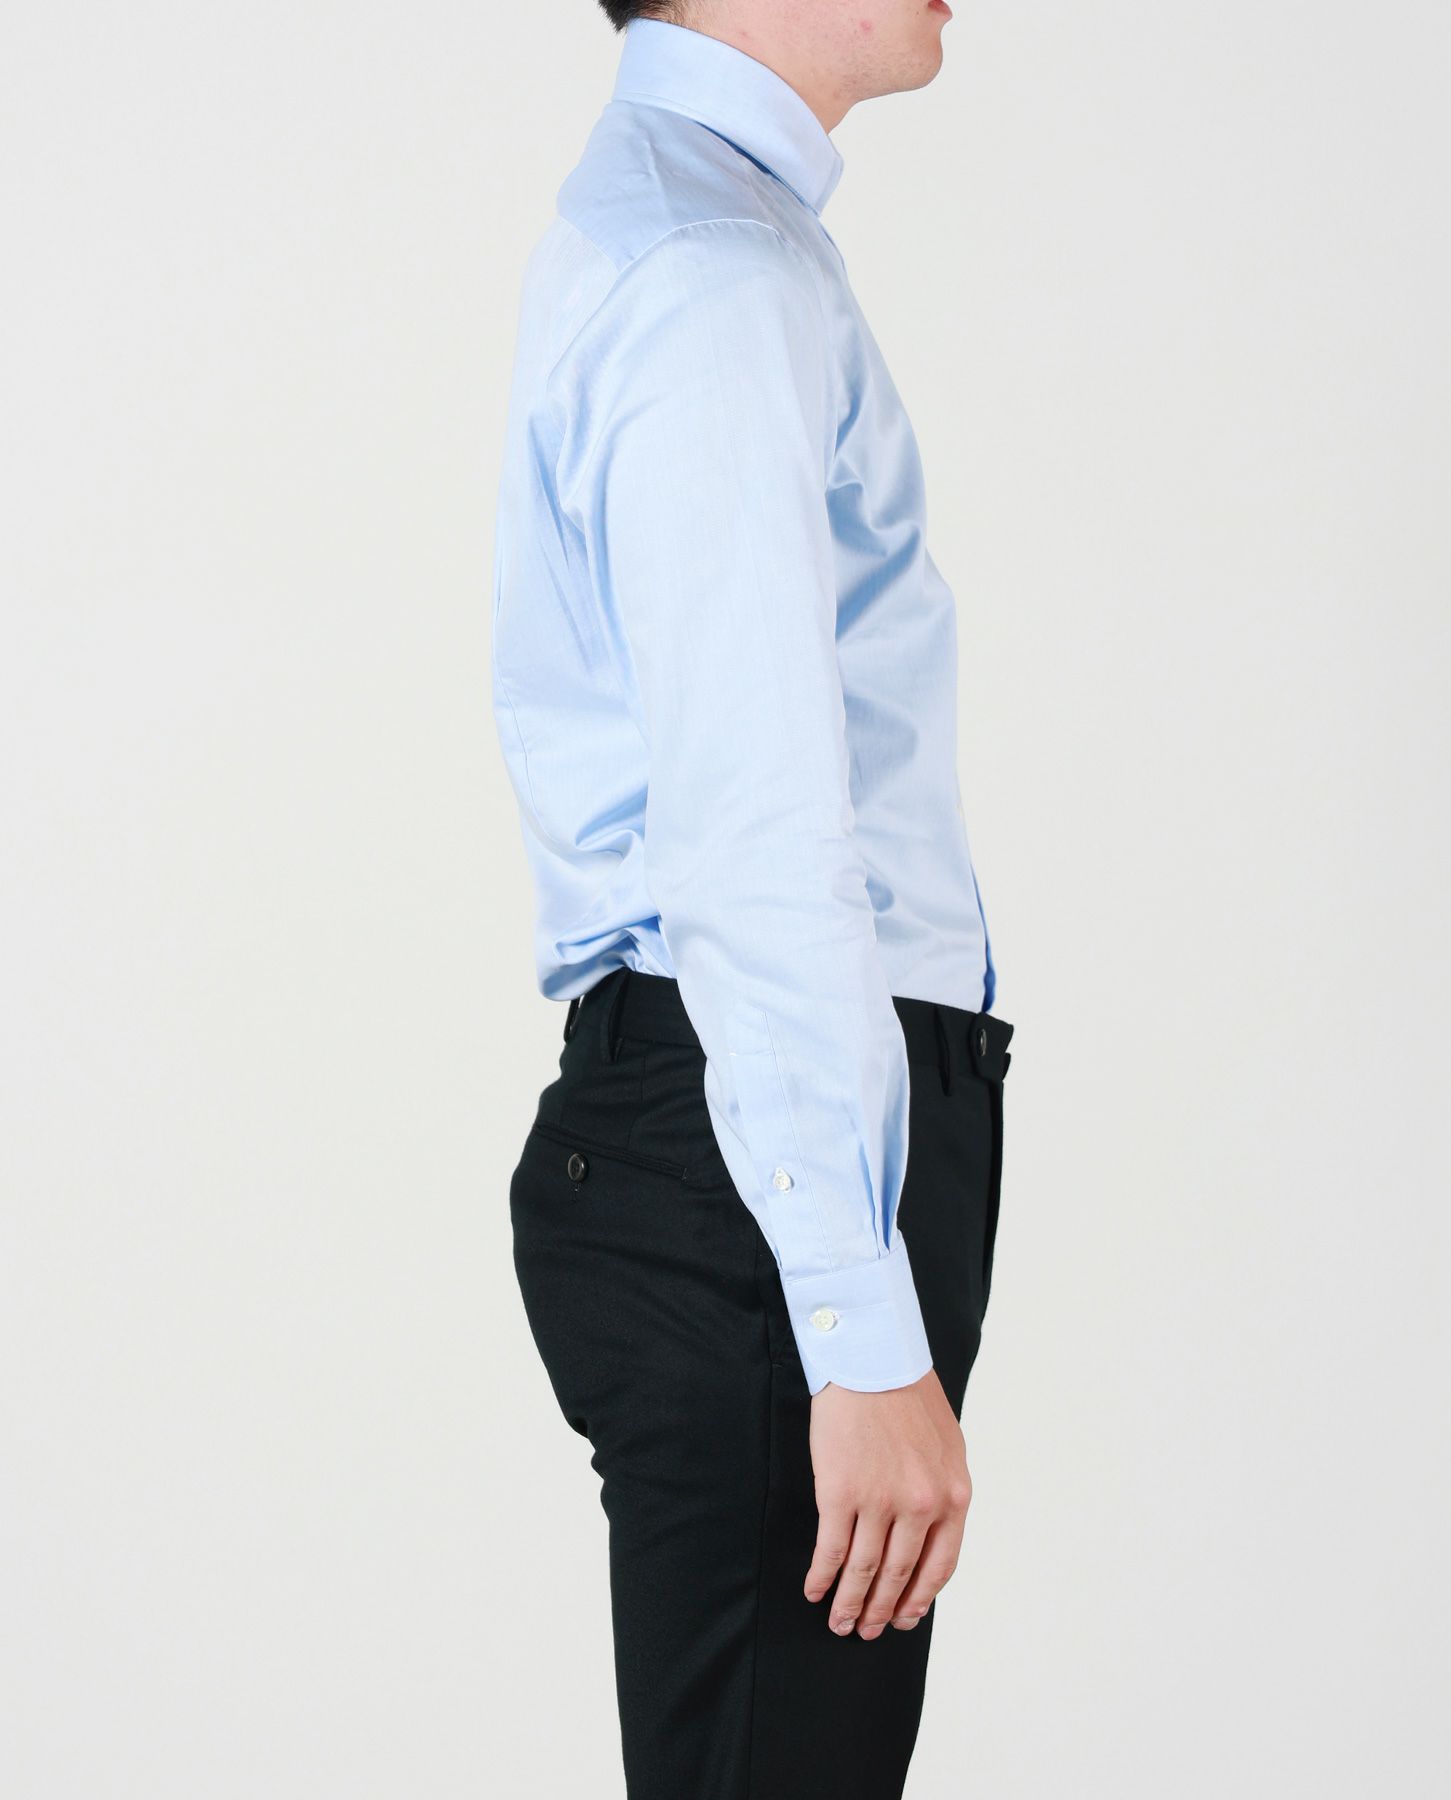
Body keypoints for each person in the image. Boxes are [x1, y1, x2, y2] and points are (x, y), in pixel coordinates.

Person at [489, 5, 1014, 1794]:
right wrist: (854, 1332)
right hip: (761, 1184)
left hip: (738, 1159)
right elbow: (750, 830)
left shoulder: (704, 230)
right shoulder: (716, 270)